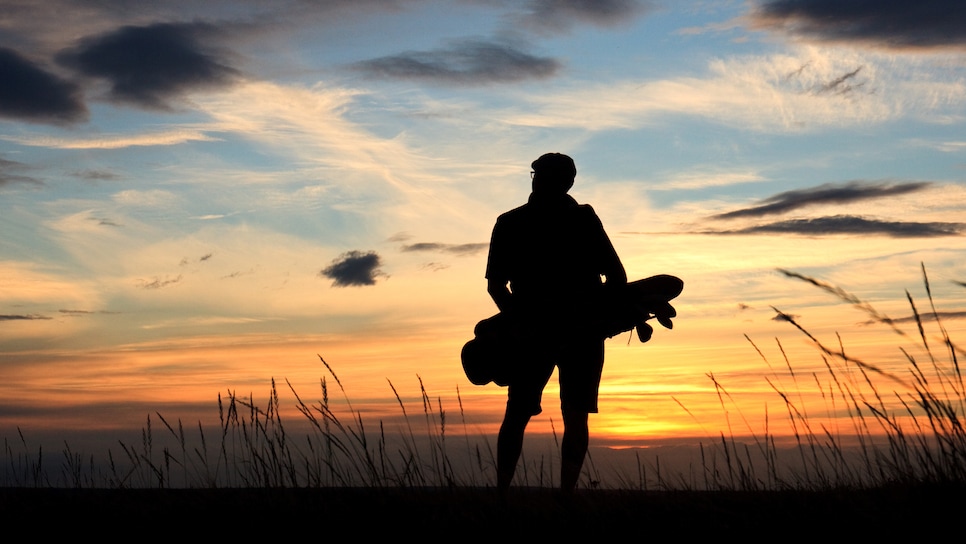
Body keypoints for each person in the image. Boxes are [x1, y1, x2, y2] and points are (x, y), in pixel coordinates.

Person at [485, 152, 626, 495]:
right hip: (553, 333)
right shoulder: (519, 221)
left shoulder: (524, 221)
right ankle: (549, 497)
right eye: (538, 174)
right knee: (545, 414)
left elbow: (495, 285)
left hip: (565, 333)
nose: (538, 180)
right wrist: (520, 323)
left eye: (542, 174)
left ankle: (521, 495)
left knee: (541, 414)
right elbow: (617, 277)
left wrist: (520, 321)